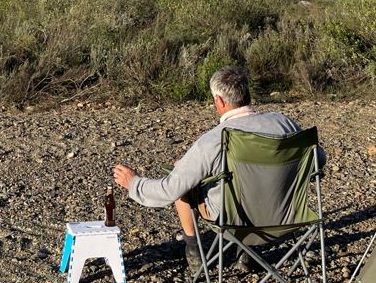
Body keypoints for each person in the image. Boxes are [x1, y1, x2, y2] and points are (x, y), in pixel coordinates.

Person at [112, 65, 325, 268]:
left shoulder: (214, 140)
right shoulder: (284, 123)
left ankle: (194, 249)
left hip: (232, 223)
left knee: (183, 176)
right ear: (247, 95)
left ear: (219, 101)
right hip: (287, 218)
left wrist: (134, 183)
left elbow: (169, 189)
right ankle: (249, 251)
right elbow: (318, 160)